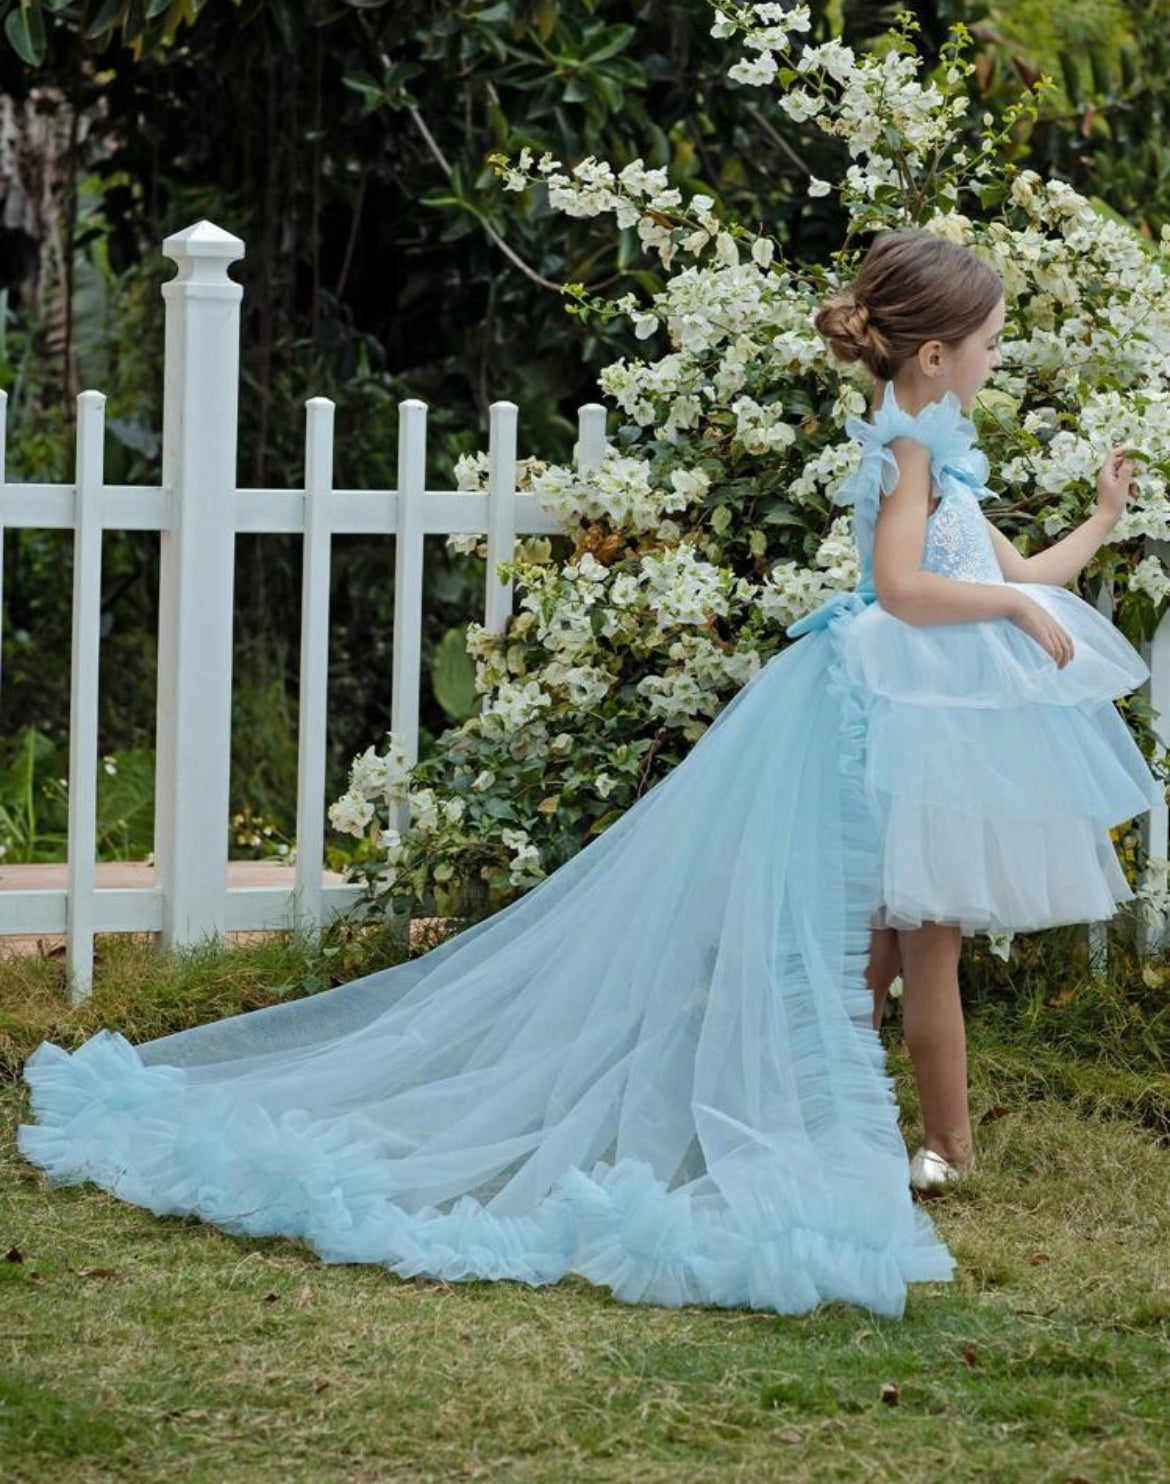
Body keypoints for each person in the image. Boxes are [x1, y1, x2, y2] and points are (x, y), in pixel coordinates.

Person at [17, 229, 1154, 1322]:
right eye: (996, 342)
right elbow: (906, 587)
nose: (1003, 360)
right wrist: (1003, 601)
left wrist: (1099, 520)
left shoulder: (941, 455)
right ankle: (938, 1146)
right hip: (887, 712)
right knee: (918, 940)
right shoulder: (906, 449)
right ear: (934, 354)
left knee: (878, 944)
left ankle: (818, 1121)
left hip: (920, 717)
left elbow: (1030, 576)